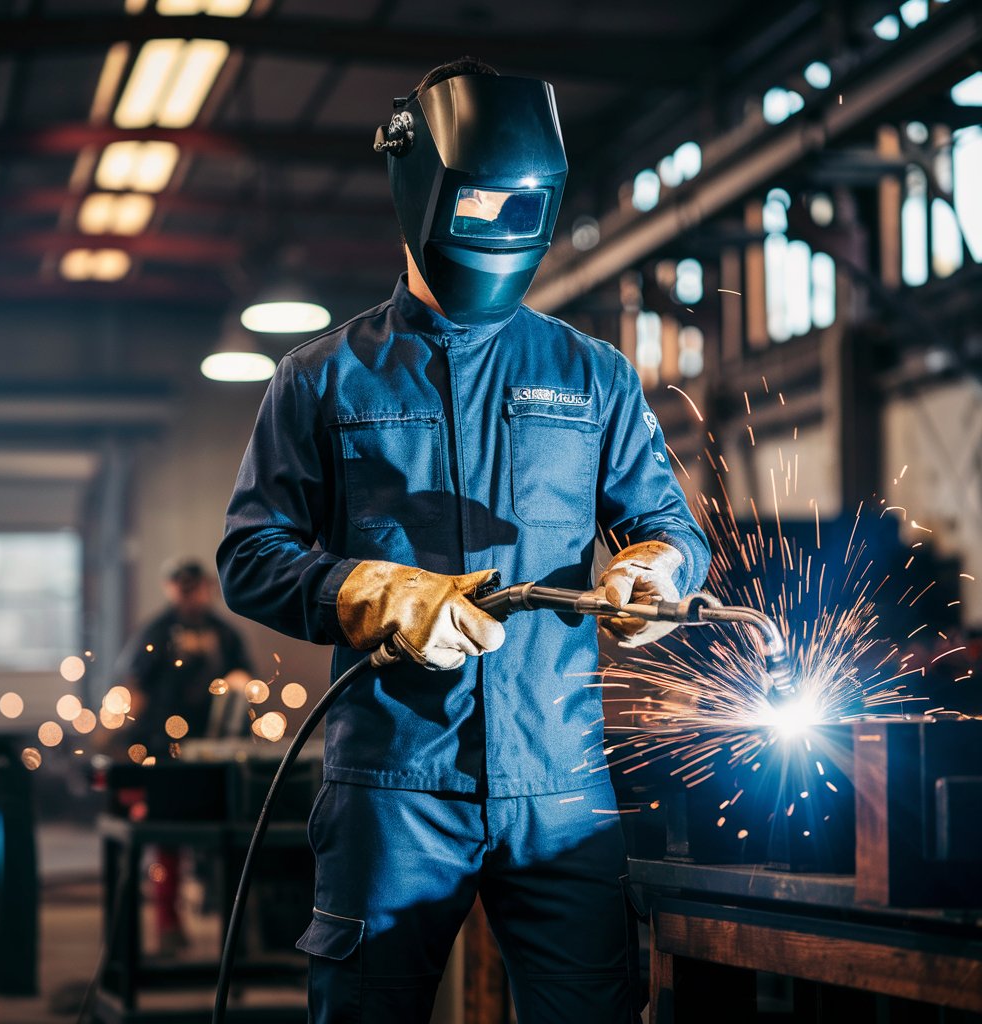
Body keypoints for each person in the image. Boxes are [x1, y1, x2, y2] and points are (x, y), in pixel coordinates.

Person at [218, 57, 710, 1024]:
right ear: (423, 193)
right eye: (474, 207)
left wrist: (655, 569)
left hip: (562, 783)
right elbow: (251, 555)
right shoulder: (323, 380)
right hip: (395, 787)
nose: (490, 231)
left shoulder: (591, 374)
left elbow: (665, 524)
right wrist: (369, 591)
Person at [113, 558, 254, 953]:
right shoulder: (156, 633)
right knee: (167, 844)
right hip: (166, 756)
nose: (190, 595)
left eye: (196, 587)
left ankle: (236, 939)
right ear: (170, 588)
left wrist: (242, 683)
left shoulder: (225, 636)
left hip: (219, 757)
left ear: (208, 587)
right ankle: (169, 926)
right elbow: (135, 685)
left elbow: (247, 679)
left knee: (232, 844)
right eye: (182, 587)